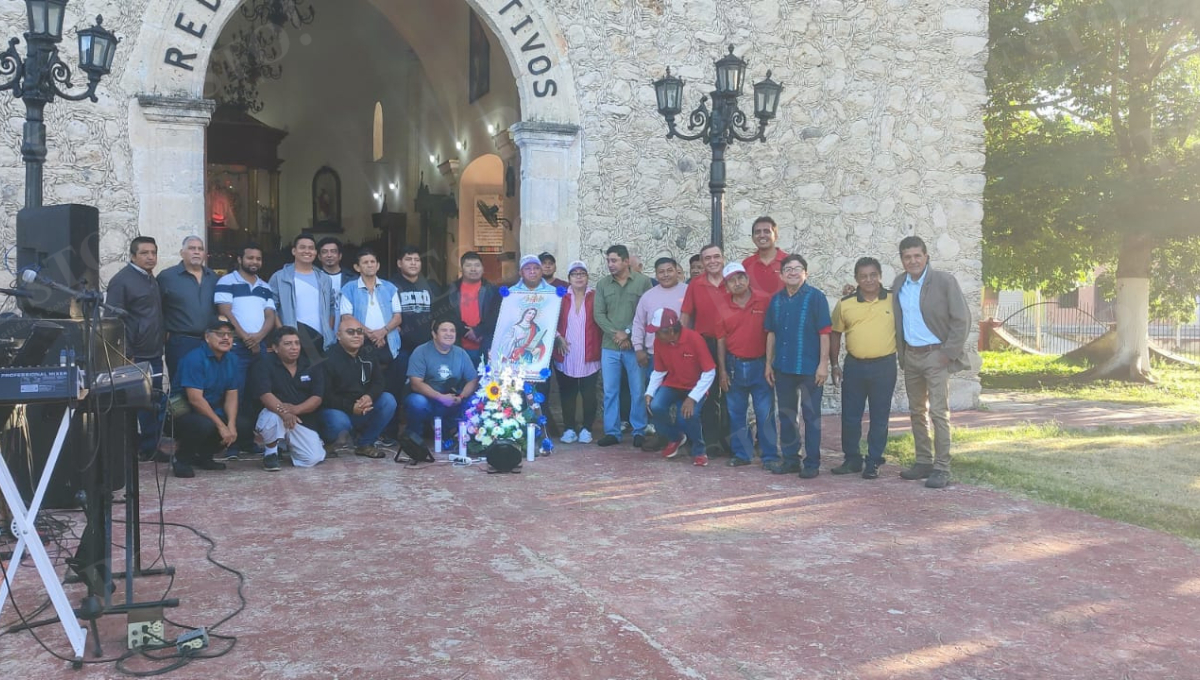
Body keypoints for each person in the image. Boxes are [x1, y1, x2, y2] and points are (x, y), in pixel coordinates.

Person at [891, 236, 971, 489]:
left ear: (926, 256)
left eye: (917, 255)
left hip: (936, 355)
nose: (912, 261)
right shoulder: (899, 283)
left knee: (938, 412)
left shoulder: (944, 282)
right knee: (916, 412)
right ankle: (923, 461)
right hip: (911, 356)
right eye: (907, 257)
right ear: (902, 260)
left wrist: (947, 353)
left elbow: (962, 320)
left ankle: (941, 467)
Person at [829, 257, 898, 480]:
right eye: (863, 276)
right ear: (856, 279)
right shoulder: (846, 302)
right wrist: (834, 364)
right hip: (854, 365)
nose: (868, 280)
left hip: (884, 365)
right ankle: (852, 459)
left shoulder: (893, 300)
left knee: (880, 416)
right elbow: (835, 334)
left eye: (872, 275)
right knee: (850, 415)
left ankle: (874, 460)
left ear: (880, 276)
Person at [764, 254, 832, 478]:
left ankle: (812, 463)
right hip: (783, 367)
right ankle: (791, 459)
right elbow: (771, 333)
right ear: (782, 275)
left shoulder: (816, 298)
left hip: (810, 368)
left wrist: (824, 364)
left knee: (811, 416)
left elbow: (824, 333)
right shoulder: (776, 300)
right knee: (786, 415)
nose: (793, 272)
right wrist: (768, 364)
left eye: (798, 268)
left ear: (806, 273)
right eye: (788, 269)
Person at [105, 236, 166, 461]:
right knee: (137, 403)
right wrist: (126, 353)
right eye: (144, 253)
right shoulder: (122, 280)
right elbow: (112, 319)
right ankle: (138, 449)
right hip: (134, 355)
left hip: (154, 352)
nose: (150, 257)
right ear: (133, 256)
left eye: (153, 252)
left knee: (153, 401)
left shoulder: (151, 279)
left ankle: (150, 446)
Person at [214, 242, 276, 458]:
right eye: (250, 258)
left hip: (259, 347)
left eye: (258, 259)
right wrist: (243, 336)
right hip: (236, 347)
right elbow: (225, 312)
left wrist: (258, 338)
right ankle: (231, 443)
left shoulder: (265, 286)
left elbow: (270, 315)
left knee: (255, 395)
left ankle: (248, 441)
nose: (254, 262)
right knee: (234, 395)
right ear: (240, 259)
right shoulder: (226, 281)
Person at [716, 262, 777, 468]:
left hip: (760, 365)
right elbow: (721, 339)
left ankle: (769, 456)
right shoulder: (722, 305)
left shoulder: (764, 300)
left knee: (765, 413)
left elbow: (771, 333)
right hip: (734, 365)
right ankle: (742, 454)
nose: (737, 282)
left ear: (747, 279)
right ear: (726, 285)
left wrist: (769, 364)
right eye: (731, 280)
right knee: (736, 413)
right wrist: (722, 370)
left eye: (740, 277)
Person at [593, 245, 654, 447]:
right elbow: (598, 314)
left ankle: (639, 430)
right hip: (610, 346)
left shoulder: (643, 282)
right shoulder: (602, 285)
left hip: (635, 345)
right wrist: (616, 334)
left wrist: (627, 333)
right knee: (610, 391)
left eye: (614, 260)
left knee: (638, 389)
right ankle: (612, 431)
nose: (610, 264)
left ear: (626, 261)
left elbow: (646, 312)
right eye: (608, 261)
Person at [171, 320, 243, 478]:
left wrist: (230, 425)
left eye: (229, 335)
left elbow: (232, 395)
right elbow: (195, 399)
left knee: (241, 424)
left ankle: (204, 457)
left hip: (207, 406)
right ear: (207, 337)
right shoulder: (194, 358)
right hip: (177, 407)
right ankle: (181, 460)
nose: (226, 338)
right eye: (220, 334)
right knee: (205, 424)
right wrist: (221, 426)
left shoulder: (232, 359)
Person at [643, 308, 715, 466]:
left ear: (669, 331)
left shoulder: (694, 339)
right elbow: (659, 370)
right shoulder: (659, 341)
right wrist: (649, 392)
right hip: (673, 383)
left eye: (657, 332)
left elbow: (710, 371)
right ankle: (676, 437)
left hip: (696, 387)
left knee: (689, 414)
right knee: (655, 406)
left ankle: (700, 450)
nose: (654, 335)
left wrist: (692, 398)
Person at [248, 326, 327, 471]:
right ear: (275, 348)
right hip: (275, 414)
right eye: (288, 343)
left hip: (300, 419)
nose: (294, 347)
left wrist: (295, 410)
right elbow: (265, 394)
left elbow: (317, 397)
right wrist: (284, 412)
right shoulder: (264, 364)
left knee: (313, 458)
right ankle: (271, 453)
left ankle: (285, 445)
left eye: (297, 343)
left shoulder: (311, 364)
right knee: (272, 415)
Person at [317, 317, 396, 459]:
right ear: (339, 335)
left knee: (388, 400)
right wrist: (351, 407)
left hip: (362, 406)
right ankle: (328, 443)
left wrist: (369, 397)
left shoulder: (368, 353)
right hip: (337, 410)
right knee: (339, 421)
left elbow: (379, 382)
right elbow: (325, 396)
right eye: (350, 332)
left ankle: (365, 444)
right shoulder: (328, 359)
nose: (356, 335)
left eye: (359, 332)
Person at [630, 257, 687, 448]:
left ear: (677, 270)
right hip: (655, 356)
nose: (665, 275)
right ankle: (664, 435)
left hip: (683, 355)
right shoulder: (648, 296)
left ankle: (686, 435)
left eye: (669, 270)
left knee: (683, 398)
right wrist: (638, 348)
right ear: (656, 274)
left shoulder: (687, 292)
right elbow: (639, 323)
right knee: (655, 398)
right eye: (661, 272)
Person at [681, 244, 732, 456]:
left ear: (723, 258)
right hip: (705, 344)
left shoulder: (734, 281)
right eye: (707, 258)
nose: (712, 261)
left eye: (716, 257)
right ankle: (710, 441)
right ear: (702, 262)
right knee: (708, 395)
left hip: (733, 344)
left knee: (731, 394)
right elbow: (685, 315)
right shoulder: (695, 284)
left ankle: (730, 441)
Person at [402, 318, 480, 451]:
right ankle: (414, 440)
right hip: (427, 399)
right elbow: (416, 383)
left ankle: (450, 435)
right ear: (434, 334)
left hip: (451, 399)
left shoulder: (461, 353)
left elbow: (472, 380)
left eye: (452, 331)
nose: (449, 334)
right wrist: (439, 397)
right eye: (444, 330)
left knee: (473, 401)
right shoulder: (421, 351)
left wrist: (461, 397)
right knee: (416, 402)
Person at [553, 260, 601, 443]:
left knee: (589, 393)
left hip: (589, 352)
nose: (579, 277)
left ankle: (587, 428)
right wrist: (558, 336)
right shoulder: (561, 297)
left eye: (582, 273)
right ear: (569, 278)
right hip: (565, 353)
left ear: (587, 277)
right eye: (575, 274)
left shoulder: (596, 296)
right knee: (568, 393)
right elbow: (549, 320)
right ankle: (569, 428)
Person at [158, 235, 218, 382]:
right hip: (180, 342)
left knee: (208, 384)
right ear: (181, 253)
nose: (196, 252)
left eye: (200, 249)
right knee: (180, 386)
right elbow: (157, 309)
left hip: (209, 341)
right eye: (192, 248)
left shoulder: (213, 277)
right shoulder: (167, 277)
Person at [269, 233, 337, 360]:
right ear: (294, 251)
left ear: (316, 252)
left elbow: (332, 307)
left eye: (311, 248)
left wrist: (328, 329)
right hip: (293, 339)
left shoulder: (324, 279)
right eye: (302, 247)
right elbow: (271, 308)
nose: (307, 251)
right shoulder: (280, 277)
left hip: (321, 340)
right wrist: (284, 333)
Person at [438, 251, 500, 367]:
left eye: (477, 265)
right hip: (457, 343)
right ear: (462, 268)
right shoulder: (450, 290)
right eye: (468, 265)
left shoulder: (492, 290)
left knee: (485, 381)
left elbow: (495, 315)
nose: (473, 269)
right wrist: (466, 331)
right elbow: (447, 315)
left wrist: (478, 331)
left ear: (483, 268)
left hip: (485, 344)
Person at [742, 216, 787, 296]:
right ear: (752, 238)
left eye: (767, 231)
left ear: (775, 236)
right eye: (757, 232)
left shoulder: (788, 262)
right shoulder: (746, 264)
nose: (762, 235)